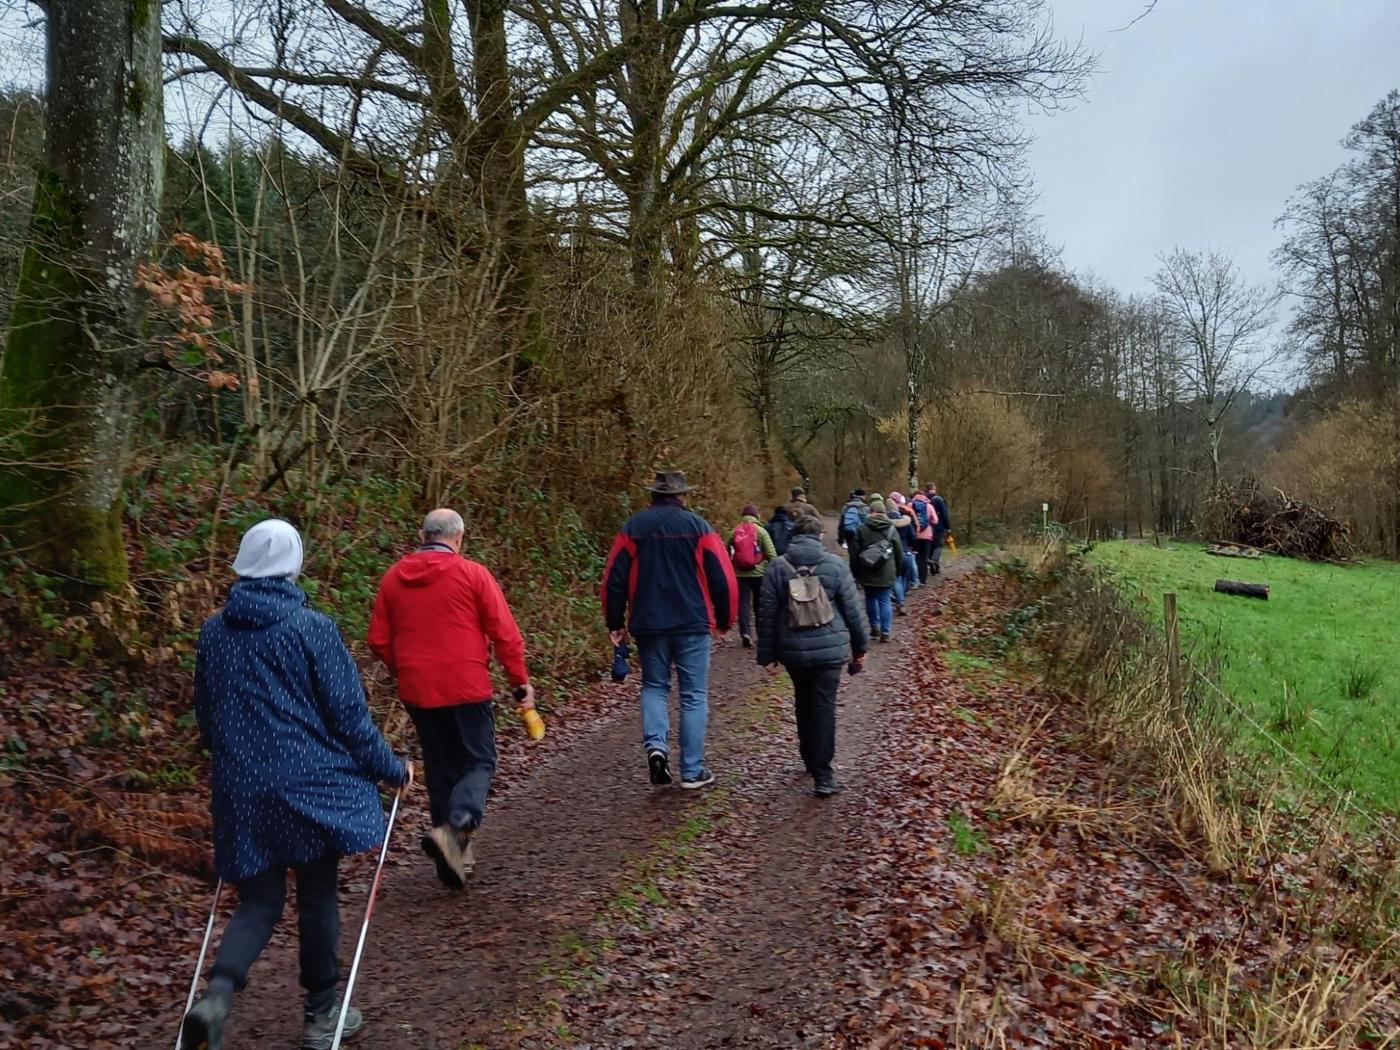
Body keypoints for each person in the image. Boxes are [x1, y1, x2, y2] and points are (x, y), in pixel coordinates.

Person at [182, 520, 412, 1050]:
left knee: (259, 901)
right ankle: (321, 1014)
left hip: (241, 788)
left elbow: (207, 719)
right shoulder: (312, 628)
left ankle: (217, 996)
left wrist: (239, 763)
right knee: (317, 895)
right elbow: (349, 717)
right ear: (293, 565)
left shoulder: (214, 632)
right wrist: (392, 768)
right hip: (311, 787)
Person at [368, 508, 534, 889]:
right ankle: (456, 827)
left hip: (418, 688)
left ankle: (453, 853)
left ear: (422, 535)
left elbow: (377, 639)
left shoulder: (393, 578)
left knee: (441, 766)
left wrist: (404, 667)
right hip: (466, 683)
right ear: (458, 538)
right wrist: (520, 682)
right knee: (479, 759)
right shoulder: (472, 574)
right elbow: (505, 634)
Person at [603, 469, 738, 790]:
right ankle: (692, 770)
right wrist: (725, 620)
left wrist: (615, 622)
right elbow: (723, 579)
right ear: (682, 495)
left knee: (654, 686)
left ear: (653, 495)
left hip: (649, 623)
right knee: (693, 694)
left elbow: (613, 579)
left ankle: (656, 748)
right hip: (693, 623)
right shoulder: (699, 527)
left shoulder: (633, 528)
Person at [756, 512, 869, 796]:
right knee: (823, 706)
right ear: (819, 536)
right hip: (830, 650)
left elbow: (766, 614)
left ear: (793, 536)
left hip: (793, 650)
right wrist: (860, 647)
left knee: (803, 701)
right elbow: (853, 611)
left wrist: (767, 655)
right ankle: (824, 775)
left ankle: (809, 758)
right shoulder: (835, 565)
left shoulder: (777, 567)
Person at [850, 495, 905, 643]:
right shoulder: (892, 529)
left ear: (870, 511)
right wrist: (897, 570)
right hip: (887, 570)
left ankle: (875, 628)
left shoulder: (861, 529)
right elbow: (899, 552)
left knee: (870, 599)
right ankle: (885, 632)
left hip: (867, 569)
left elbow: (854, 553)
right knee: (885, 600)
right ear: (884, 512)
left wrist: (855, 572)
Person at [730, 503, 778, 648]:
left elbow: (726, 551)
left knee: (743, 604)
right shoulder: (761, 531)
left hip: (740, 574)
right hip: (759, 573)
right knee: (759, 604)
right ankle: (760, 633)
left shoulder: (735, 531)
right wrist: (773, 571)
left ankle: (745, 632)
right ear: (756, 515)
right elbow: (772, 554)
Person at [885, 492, 917, 615]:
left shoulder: (886, 525)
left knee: (896, 579)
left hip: (894, 555)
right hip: (907, 553)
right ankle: (900, 599)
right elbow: (913, 538)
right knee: (904, 578)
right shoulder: (906, 522)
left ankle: (900, 602)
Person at [910, 487, 939, 584]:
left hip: (914, 535)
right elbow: (935, 520)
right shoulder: (929, 506)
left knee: (916, 557)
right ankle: (923, 579)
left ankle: (915, 579)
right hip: (927, 536)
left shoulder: (910, 505)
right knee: (924, 558)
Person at [928, 483, 952, 576]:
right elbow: (944, 514)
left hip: (927, 528)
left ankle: (932, 566)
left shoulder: (925, 499)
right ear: (934, 489)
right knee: (938, 545)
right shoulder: (939, 499)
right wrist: (947, 527)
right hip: (938, 526)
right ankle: (934, 562)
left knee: (931, 546)